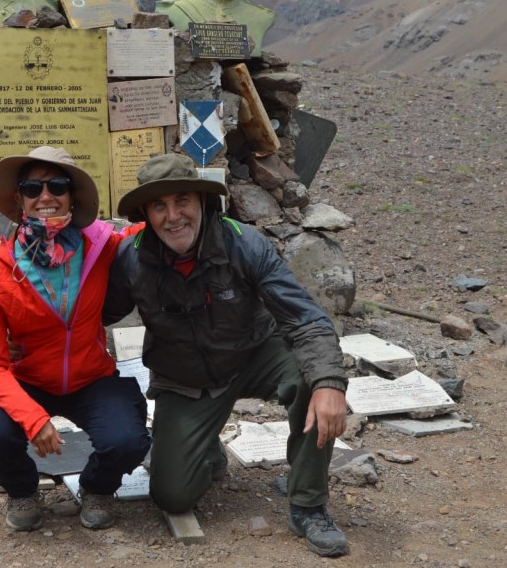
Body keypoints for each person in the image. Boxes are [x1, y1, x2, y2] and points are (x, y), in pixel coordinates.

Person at [103, 153, 350, 558]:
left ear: (202, 202)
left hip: (254, 354)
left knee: (312, 378)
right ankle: (206, 451)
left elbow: (306, 320)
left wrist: (329, 383)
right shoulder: (131, 257)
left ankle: (308, 504)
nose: (173, 216)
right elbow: (97, 314)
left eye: (182, 201)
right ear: (145, 214)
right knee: (172, 495)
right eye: (159, 206)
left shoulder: (243, 242)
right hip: (185, 377)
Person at [0, 146, 151, 533]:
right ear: (19, 199)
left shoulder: (100, 248)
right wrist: (33, 419)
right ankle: (22, 490)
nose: (45, 197)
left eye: (58, 186)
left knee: (128, 440)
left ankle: (96, 487)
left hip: (90, 378)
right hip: (29, 381)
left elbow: (150, 232)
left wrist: (185, 210)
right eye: (33, 187)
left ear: (73, 196)